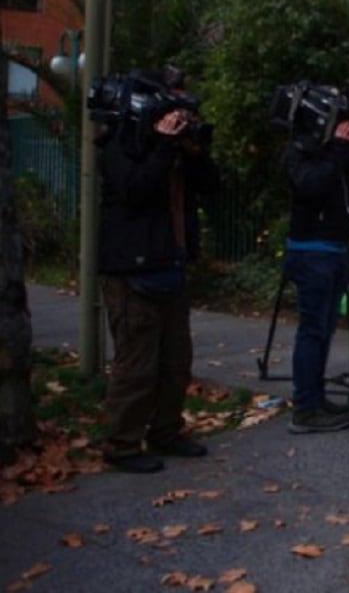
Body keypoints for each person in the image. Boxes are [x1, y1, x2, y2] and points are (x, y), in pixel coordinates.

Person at [98, 72, 218, 474]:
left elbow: (211, 186)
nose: (180, 117)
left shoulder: (172, 149)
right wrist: (164, 146)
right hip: (132, 270)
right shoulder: (120, 144)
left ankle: (166, 430)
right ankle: (122, 443)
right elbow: (135, 191)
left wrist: (194, 150)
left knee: (175, 362)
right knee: (137, 364)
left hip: (171, 265)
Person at [283, 116, 349, 434]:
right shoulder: (301, 151)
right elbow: (311, 186)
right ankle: (305, 409)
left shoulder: (334, 153)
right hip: (312, 251)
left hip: (333, 250)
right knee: (312, 331)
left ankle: (315, 399)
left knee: (323, 330)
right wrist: (338, 148)